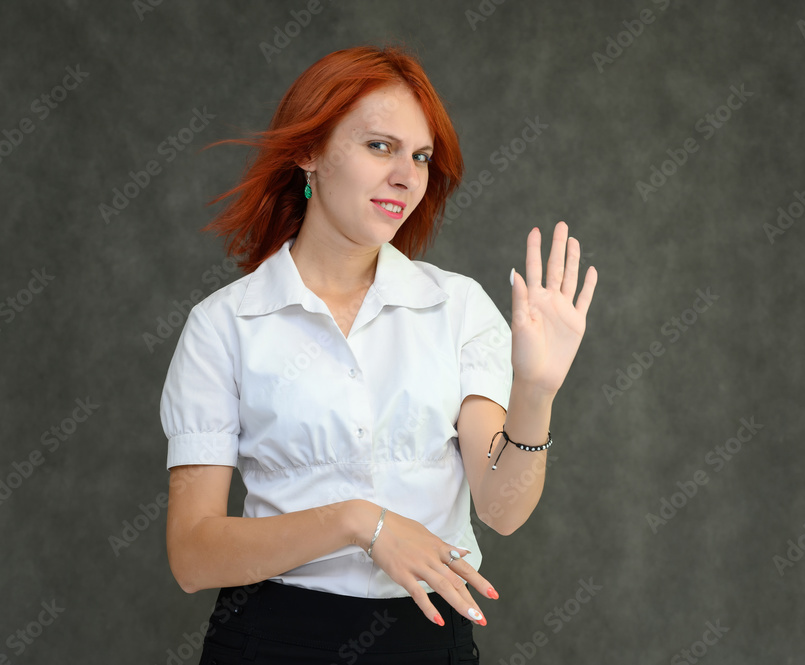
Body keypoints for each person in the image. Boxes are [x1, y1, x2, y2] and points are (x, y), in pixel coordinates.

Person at [159, 44, 598, 664]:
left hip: (426, 640)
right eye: (380, 146)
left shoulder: (457, 307)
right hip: (270, 639)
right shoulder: (224, 325)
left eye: (420, 156)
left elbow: (501, 509)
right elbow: (193, 555)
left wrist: (535, 391)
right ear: (308, 153)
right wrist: (360, 523)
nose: (407, 176)